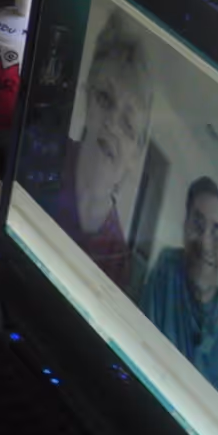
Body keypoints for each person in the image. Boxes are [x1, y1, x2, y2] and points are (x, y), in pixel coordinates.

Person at [55, 15, 153, 289]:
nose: (111, 124)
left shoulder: (120, 259)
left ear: (135, 155)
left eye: (128, 123)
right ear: (87, 100)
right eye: (105, 99)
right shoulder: (42, 155)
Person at [141, 176, 218, 397]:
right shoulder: (166, 268)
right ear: (184, 228)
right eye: (197, 225)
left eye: (217, 232)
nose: (205, 243)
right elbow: (140, 343)